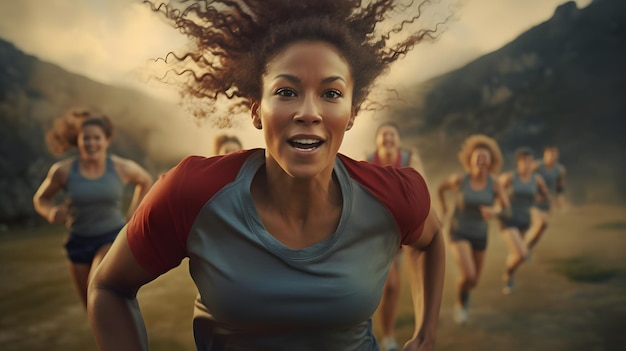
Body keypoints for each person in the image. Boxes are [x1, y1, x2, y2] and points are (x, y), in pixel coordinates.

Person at [88, 1, 447, 350]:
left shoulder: (392, 196)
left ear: (351, 113)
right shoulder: (191, 192)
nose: (309, 112)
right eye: (286, 92)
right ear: (257, 110)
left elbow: (430, 241)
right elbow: (109, 287)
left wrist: (426, 334)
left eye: (331, 93)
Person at [33, 109, 153, 308]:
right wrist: (51, 212)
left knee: (100, 294)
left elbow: (145, 180)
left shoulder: (120, 167)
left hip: (111, 238)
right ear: (78, 141)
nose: (91, 143)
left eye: (97, 138)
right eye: (86, 138)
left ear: (106, 141)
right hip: (78, 243)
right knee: (91, 308)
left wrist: (133, 213)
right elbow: (40, 199)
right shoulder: (62, 171)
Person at [438, 135, 510, 324]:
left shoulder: (495, 184)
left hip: (480, 235)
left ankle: (464, 292)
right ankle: (461, 304)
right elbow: (440, 189)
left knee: (474, 281)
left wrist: (496, 211)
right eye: (477, 156)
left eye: (485, 157)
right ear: (469, 160)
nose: (481, 160)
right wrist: (445, 210)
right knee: (469, 274)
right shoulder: (460, 180)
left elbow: (507, 210)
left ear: (491, 161)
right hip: (458, 231)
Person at [366, 121, 426, 350]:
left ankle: (412, 333)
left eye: (392, 134)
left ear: (399, 140)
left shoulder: (410, 160)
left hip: (408, 227)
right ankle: (387, 336)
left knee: (412, 281)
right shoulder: (369, 161)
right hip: (380, 232)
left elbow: (422, 189)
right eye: (384, 135)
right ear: (377, 141)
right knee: (389, 285)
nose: (388, 138)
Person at [498, 147, 550, 295]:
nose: (527, 165)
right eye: (524, 162)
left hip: (524, 220)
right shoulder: (509, 177)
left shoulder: (537, 179)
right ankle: (508, 276)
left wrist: (541, 200)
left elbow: (545, 196)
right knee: (521, 255)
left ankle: (510, 274)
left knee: (517, 256)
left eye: (530, 162)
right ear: (518, 164)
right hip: (508, 220)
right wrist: (498, 207)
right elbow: (494, 191)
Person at [526, 146, 566, 254]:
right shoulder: (536, 166)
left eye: (554, 155)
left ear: (557, 156)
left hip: (546, 202)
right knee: (540, 222)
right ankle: (523, 249)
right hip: (532, 201)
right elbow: (524, 178)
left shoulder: (560, 170)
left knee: (542, 227)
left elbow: (560, 188)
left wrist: (559, 199)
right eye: (549, 155)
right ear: (544, 155)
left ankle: (527, 248)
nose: (551, 157)